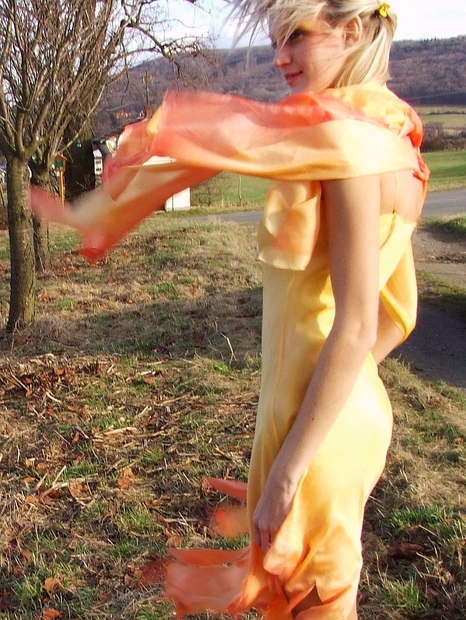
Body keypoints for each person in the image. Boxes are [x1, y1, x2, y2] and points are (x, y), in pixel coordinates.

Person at [31, 1, 429, 617]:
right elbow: (394, 318)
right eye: (276, 42)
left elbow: (354, 326)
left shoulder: (352, 151)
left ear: (352, 30)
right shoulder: (395, 141)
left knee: (314, 603)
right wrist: (328, 413)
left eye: (297, 37)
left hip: (316, 429)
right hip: (333, 415)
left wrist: (293, 466)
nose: (281, 58)